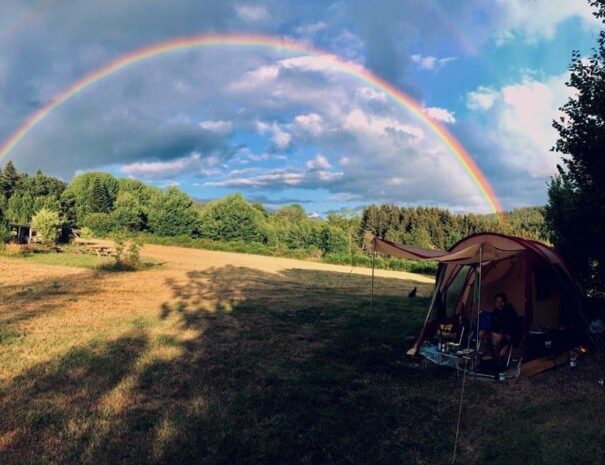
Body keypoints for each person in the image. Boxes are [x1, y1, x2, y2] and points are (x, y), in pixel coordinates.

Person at [479, 292, 518, 366]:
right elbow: (493, 326)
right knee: (484, 335)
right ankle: (495, 358)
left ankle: (497, 360)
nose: (499, 304)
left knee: (490, 338)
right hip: (495, 335)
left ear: (505, 302)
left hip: (507, 336)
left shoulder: (510, 311)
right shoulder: (495, 312)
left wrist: (507, 345)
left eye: (501, 302)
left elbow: (514, 329)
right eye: (497, 302)